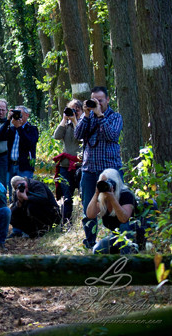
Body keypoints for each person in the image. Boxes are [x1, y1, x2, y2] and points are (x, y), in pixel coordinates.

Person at [74, 86, 123, 249]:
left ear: (107, 100)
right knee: (89, 207)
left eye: (100, 100)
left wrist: (100, 115)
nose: (97, 103)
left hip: (110, 171)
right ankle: (90, 242)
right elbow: (77, 135)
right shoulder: (88, 117)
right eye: (94, 100)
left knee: (114, 206)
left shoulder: (115, 117)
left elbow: (112, 135)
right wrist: (87, 115)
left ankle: (118, 241)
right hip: (89, 170)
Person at [86, 168, 138, 254]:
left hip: (133, 235)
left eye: (107, 182)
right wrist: (96, 193)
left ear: (115, 183)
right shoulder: (103, 198)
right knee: (97, 250)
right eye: (102, 182)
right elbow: (90, 215)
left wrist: (112, 198)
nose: (104, 185)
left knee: (124, 226)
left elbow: (124, 219)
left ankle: (128, 259)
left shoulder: (126, 195)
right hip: (117, 237)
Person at [52, 99, 83, 225]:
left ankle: (83, 224)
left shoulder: (84, 124)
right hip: (65, 165)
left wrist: (75, 121)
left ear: (81, 111)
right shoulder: (66, 125)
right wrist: (64, 119)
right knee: (66, 197)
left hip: (81, 165)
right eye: (71, 109)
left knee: (83, 196)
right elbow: (57, 136)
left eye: (77, 110)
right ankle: (66, 223)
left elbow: (81, 137)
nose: (74, 112)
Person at [0, 105, 39, 199]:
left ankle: (25, 213)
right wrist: (8, 120)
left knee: (24, 192)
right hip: (11, 165)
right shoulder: (12, 129)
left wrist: (20, 128)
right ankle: (13, 211)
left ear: (27, 115)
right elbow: (0, 137)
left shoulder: (32, 129)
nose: (18, 116)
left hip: (25, 166)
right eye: (16, 114)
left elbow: (29, 143)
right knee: (12, 194)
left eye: (20, 114)